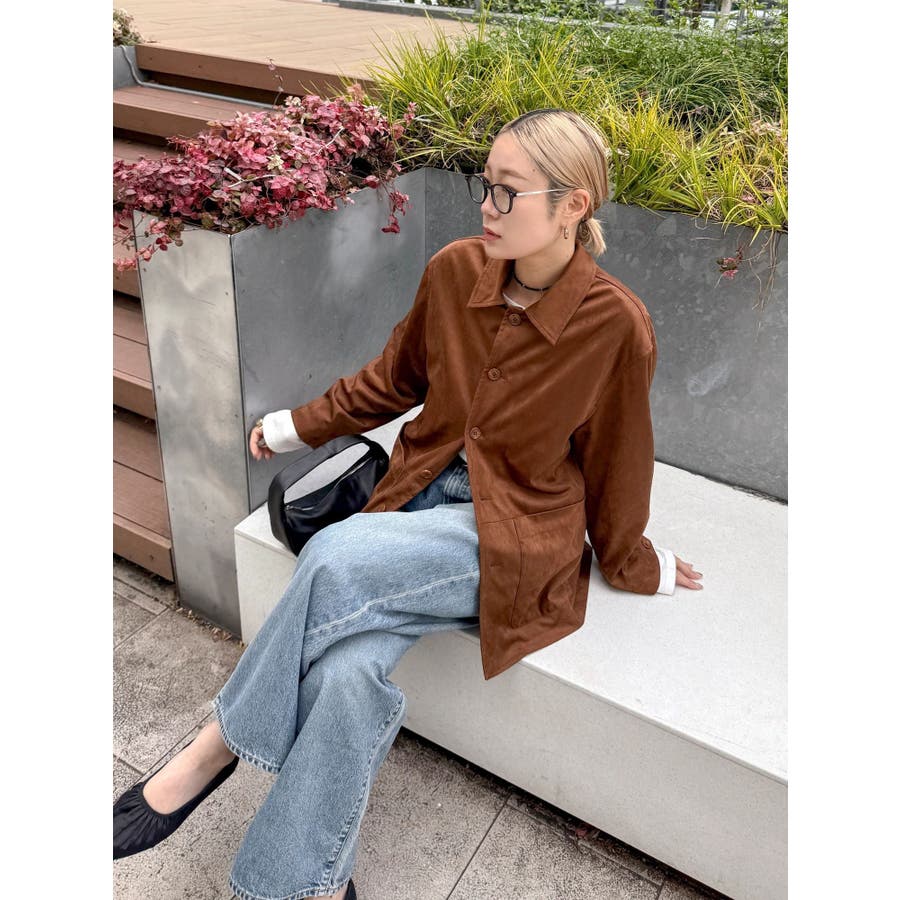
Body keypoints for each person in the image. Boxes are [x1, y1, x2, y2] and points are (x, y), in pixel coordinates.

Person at [113, 108, 704, 900]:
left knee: (333, 555)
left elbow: (620, 461)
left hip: (512, 533)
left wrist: (638, 563)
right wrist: (295, 427)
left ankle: (215, 746)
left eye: (509, 193)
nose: (486, 207)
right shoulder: (457, 271)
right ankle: (310, 885)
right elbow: (394, 380)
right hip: (416, 499)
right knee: (346, 673)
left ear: (573, 205)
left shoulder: (616, 326)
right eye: (484, 186)